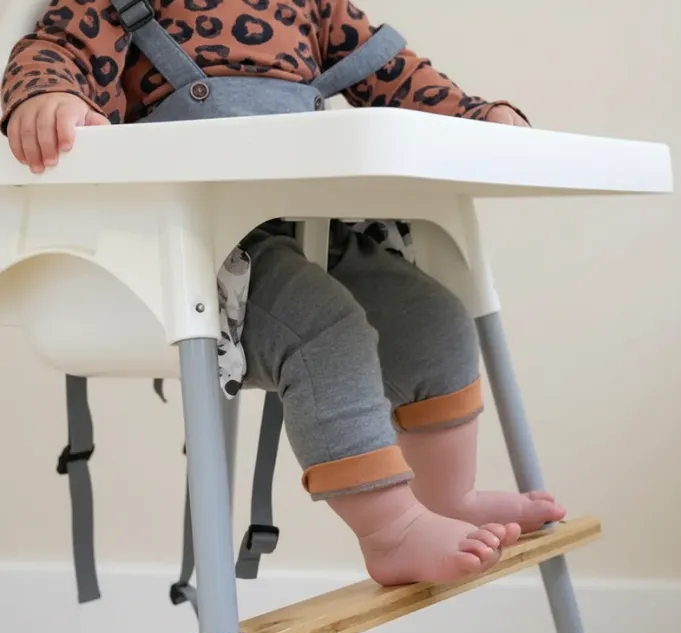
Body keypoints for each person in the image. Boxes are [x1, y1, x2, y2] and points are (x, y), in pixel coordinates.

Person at [1, 0, 566, 586]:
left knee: (435, 321)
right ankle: (390, 531)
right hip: (195, 250)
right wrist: (46, 98)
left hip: (305, 222)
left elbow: (392, 72)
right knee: (325, 330)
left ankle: (449, 496)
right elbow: (56, 48)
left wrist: (476, 115)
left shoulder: (314, 5)